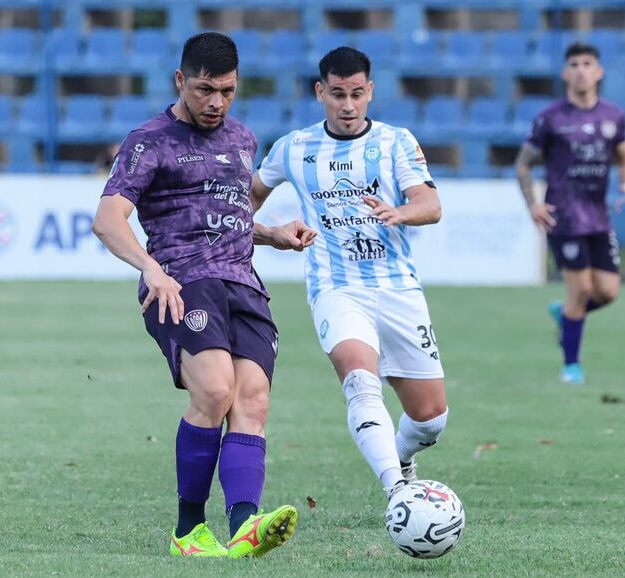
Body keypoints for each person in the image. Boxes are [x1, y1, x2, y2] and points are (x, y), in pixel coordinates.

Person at [92, 32, 316, 559]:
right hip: (181, 283)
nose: (216, 102)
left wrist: (272, 233)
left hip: (243, 283)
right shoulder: (149, 141)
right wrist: (152, 269)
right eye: (204, 89)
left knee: (252, 400)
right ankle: (189, 530)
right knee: (214, 392)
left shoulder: (242, 139)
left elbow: (227, 216)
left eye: (228, 91)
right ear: (180, 81)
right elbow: (107, 220)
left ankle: (244, 528)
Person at [250, 47, 449, 500]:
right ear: (320, 92)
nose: (347, 105)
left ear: (370, 92)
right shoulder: (295, 148)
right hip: (336, 287)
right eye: (337, 94)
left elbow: (431, 205)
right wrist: (268, 233)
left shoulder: (395, 142)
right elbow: (248, 199)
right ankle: (398, 490)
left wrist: (400, 212)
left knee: (431, 417)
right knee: (360, 380)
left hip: (398, 288)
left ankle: (399, 456)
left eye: (357, 94)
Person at [515, 42, 625, 385]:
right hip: (564, 216)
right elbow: (523, 165)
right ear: (565, 73)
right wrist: (533, 204)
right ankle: (571, 366)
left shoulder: (614, 116)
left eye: (587, 64)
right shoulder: (550, 119)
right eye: (574, 64)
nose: (581, 70)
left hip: (598, 216)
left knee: (608, 292)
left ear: (598, 72)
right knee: (580, 290)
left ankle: (565, 316)